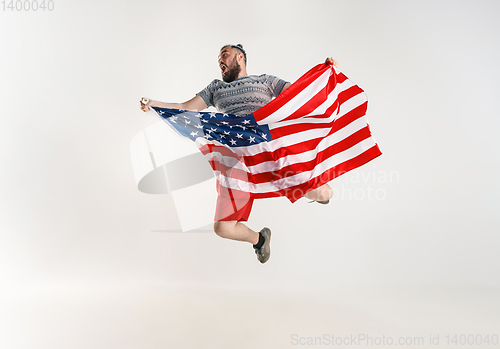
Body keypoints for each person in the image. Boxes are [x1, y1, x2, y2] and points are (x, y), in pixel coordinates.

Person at [140, 44, 336, 264]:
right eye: (218, 58)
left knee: (324, 193)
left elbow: (301, 91)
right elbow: (186, 107)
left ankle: (308, 189)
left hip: (268, 152)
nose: (220, 61)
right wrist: (156, 104)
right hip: (234, 161)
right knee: (223, 228)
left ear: (240, 57)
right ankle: (260, 240)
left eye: (224, 54)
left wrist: (326, 74)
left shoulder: (264, 81)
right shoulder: (215, 88)